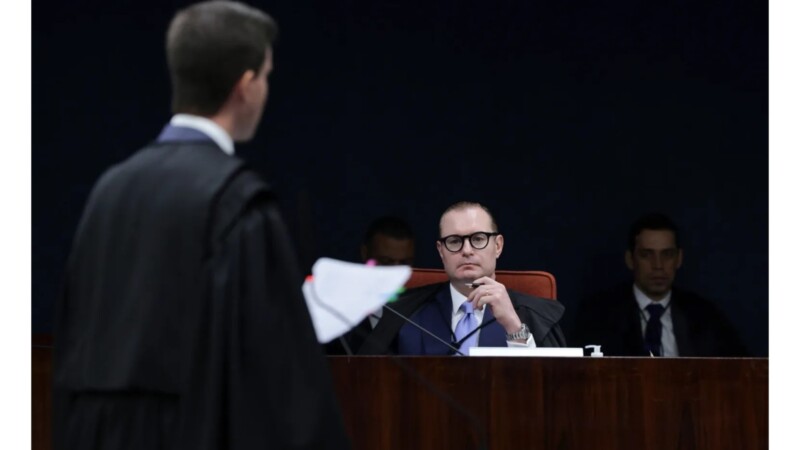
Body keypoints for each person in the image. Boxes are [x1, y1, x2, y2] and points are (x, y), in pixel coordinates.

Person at [52, 2, 351, 449]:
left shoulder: (107, 192)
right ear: (245, 86)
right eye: (266, 76)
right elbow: (274, 378)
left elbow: (72, 346)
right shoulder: (238, 203)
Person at [358, 201, 567, 355]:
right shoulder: (405, 314)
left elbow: (552, 389)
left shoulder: (534, 315)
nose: (466, 250)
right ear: (441, 251)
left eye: (478, 239)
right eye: (454, 241)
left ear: (498, 246)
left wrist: (514, 326)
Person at [571, 212, 748, 356]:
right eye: (647, 255)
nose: (658, 265)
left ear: (679, 258)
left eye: (667, 254)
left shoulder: (705, 316)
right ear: (630, 259)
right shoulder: (598, 315)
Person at [325, 215, 416, 355]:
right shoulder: (337, 312)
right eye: (386, 262)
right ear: (365, 253)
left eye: (404, 263)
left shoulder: (422, 311)